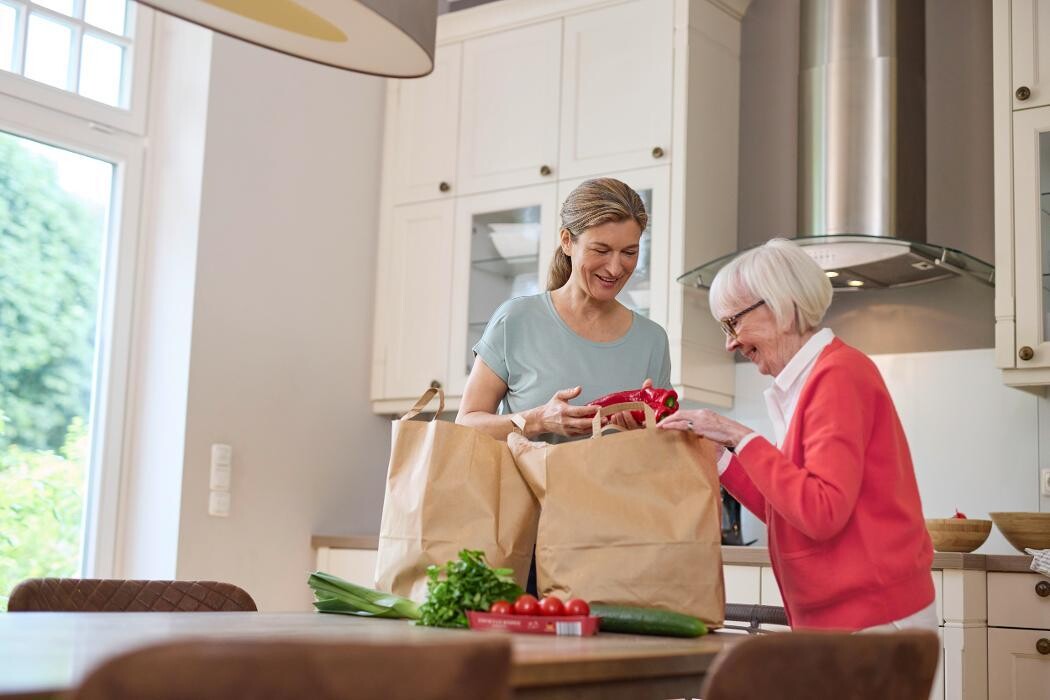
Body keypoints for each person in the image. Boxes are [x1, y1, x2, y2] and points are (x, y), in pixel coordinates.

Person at [660, 238, 936, 632]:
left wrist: (739, 435)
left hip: (873, 617)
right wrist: (716, 454)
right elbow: (787, 508)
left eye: (733, 322)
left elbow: (821, 512)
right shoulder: (808, 381)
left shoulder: (837, 375)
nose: (730, 342)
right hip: (849, 618)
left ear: (782, 309)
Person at [456, 177, 671, 442]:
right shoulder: (516, 320)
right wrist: (536, 421)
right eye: (600, 250)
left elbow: (664, 450)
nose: (615, 268)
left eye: (629, 252)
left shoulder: (652, 340)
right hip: (528, 486)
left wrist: (646, 433)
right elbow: (466, 425)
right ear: (567, 241)